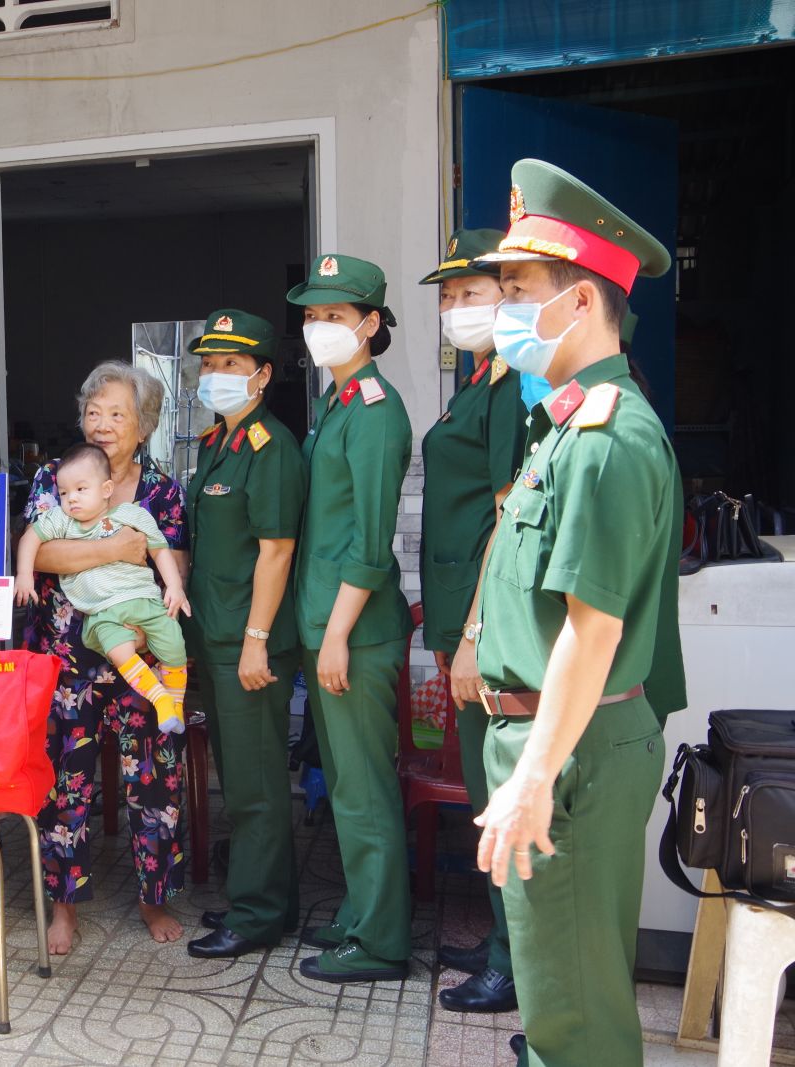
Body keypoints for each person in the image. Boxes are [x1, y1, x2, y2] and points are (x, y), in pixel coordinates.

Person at [470, 159, 685, 1067]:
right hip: (555, 743)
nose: (501, 308)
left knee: (578, 1016)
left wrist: (533, 778)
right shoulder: (563, 426)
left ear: (583, 301)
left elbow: (591, 632)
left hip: (572, 751)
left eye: (518, 288)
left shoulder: (604, 440)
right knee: (557, 989)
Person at [23, 362, 189, 956]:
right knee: (65, 786)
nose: (102, 424)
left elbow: (175, 564)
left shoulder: (161, 491)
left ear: (143, 424)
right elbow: (40, 555)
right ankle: (63, 906)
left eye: (117, 413)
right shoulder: (56, 475)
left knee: (154, 779)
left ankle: (153, 897)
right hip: (67, 657)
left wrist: (146, 627)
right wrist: (118, 549)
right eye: (94, 411)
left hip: (136, 653)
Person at [289, 253, 415, 984]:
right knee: (344, 785)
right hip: (328, 626)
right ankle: (365, 912)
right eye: (310, 316)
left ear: (368, 324)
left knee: (365, 788)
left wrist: (335, 634)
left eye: (333, 316)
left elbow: (370, 545)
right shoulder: (338, 402)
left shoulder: (373, 411)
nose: (317, 328)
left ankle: (381, 940)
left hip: (355, 633)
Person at [417, 228, 525, 1014]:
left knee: (503, 796)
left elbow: (505, 520)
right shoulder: (479, 382)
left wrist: (475, 638)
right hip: (463, 622)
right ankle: (499, 940)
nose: (456, 309)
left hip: (486, 632)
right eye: (448, 297)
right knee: (490, 790)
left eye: (473, 294)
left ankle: (515, 960)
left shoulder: (511, 389)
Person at [178, 309, 308, 960]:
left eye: (230, 364)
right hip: (218, 634)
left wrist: (257, 636)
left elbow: (277, 549)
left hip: (249, 641)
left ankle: (257, 913)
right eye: (208, 363)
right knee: (238, 772)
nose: (215, 375)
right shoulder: (215, 443)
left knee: (257, 781)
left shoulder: (271, 446)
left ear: (262, 373)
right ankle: (264, 898)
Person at [15, 442, 190, 735]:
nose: (71, 499)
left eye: (81, 490)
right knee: (119, 650)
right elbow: (30, 538)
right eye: (64, 493)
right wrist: (22, 574)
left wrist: (174, 586)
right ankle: (159, 698)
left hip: (143, 600)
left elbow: (160, 550)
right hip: (103, 613)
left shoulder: (130, 515)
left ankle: (176, 703)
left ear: (106, 489)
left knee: (174, 645)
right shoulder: (62, 522)